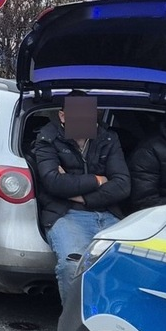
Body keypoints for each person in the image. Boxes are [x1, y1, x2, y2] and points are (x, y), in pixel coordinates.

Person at [31, 92, 131, 298]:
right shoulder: (47, 139)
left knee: (130, 265)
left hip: (108, 213)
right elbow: (53, 183)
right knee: (72, 266)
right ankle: (75, 326)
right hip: (65, 214)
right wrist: (98, 180)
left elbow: (122, 185)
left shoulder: (108, 138)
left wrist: (82, 196)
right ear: (62, 116)